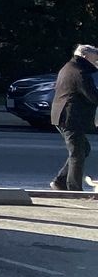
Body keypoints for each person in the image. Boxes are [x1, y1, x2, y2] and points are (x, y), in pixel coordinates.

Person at [49, 44, 98, 192]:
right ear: (85, 56)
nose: (96, 61)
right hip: (70, 117)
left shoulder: (70, 67)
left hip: (64, 115)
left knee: (83, 149)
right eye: (95, 58)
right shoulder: (79, 72)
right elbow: (93, 96)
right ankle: (74, 189)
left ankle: (60, 181)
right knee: (77, 152)